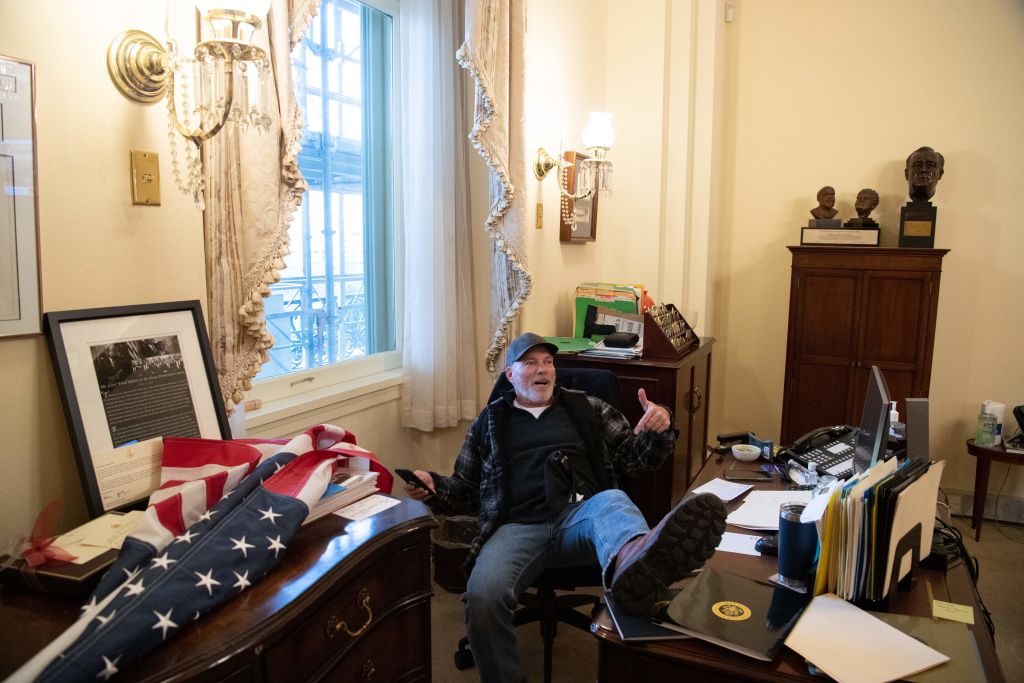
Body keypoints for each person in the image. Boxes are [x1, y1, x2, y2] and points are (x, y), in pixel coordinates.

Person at [403, 332, 726, 682]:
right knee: (481, 599)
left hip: (583, 518)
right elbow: (465, 491)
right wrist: (434, 488)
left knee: (614, 500)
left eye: (548, 362)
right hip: (517, 527)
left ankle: (636, 565)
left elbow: (636, 462)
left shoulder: (587, 407)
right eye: (530, 363)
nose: (543, 370)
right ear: (509, 376)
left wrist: (658, 429)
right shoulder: (488, 423)